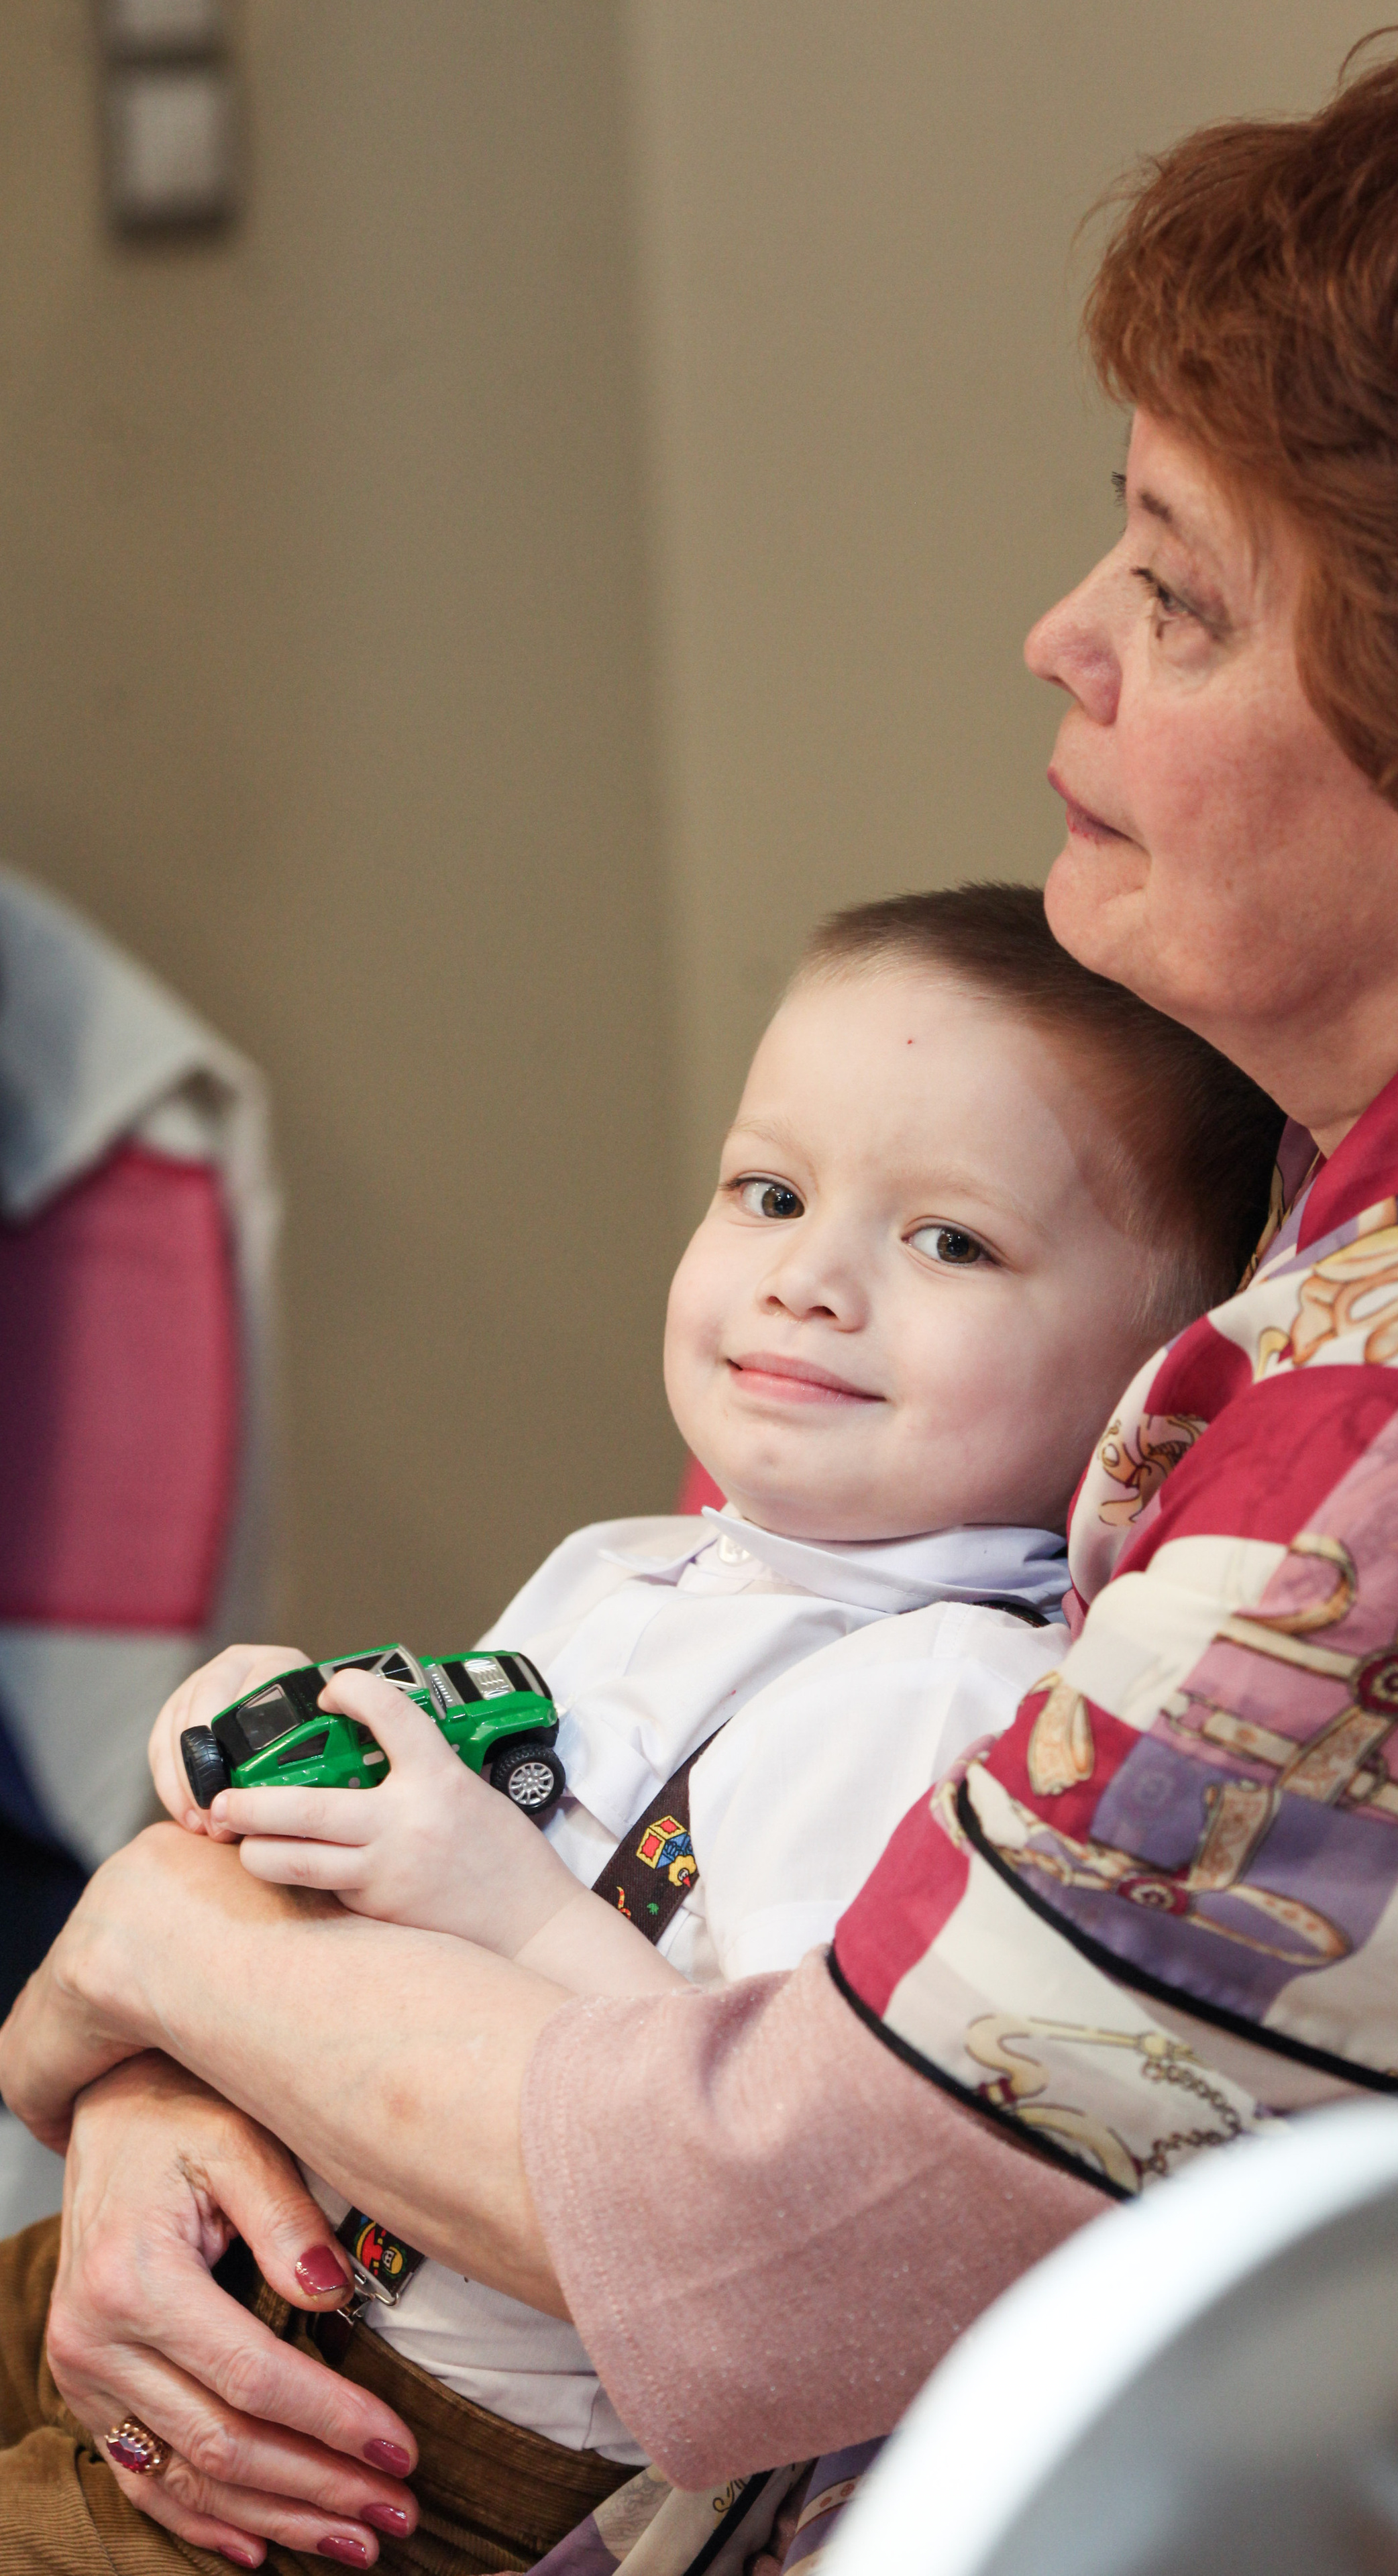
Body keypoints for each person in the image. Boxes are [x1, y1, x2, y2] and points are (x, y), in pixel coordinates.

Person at [7, 27, 1398, 2575]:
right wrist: (172, 2095)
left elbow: (771, 2235)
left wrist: (148, 1951)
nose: (1059, 640)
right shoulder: (1396, 1206)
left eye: (1179, 588)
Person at [0, 883, 1279, 2571]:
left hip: (419, 2448)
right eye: (769, 1191)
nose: (809, 1279)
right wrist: (269, 1760)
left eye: (949, 1239)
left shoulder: (947, 1697)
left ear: (1154, 1379)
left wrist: (496, 1900)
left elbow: (761, 2148)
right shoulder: (637, 1565)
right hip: (263, 2242)